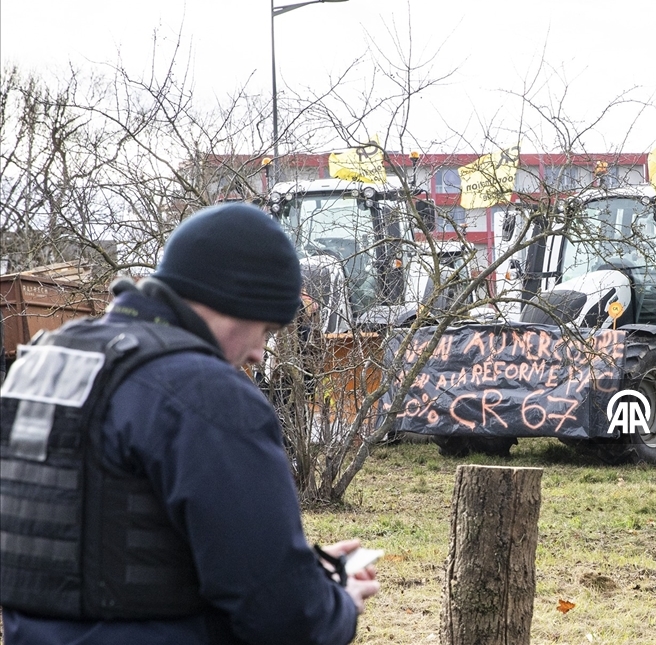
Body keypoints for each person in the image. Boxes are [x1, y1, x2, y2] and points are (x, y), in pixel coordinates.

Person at [0, 202, 379, 644]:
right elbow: (282, 617)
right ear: (236, 303)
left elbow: (103, 536)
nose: (258, 354)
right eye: (266, 331)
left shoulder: (45, 362)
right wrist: (337, 603)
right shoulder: (204, 393)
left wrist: (295, 570)